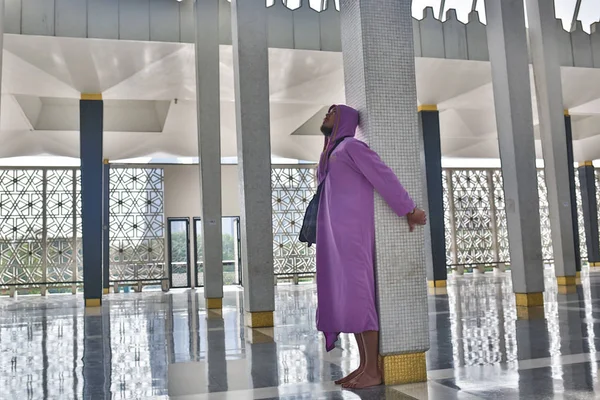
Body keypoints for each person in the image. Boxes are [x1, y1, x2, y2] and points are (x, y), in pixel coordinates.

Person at [316, 104, 427, 389]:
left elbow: (382, 176)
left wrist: (408, 209)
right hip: (332, 237)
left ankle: (373, 370)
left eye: (331, 113)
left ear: (343, 120)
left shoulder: (352, 147)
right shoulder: (331, 154)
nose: (325, 117)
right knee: (345, 299)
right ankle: (364, 366)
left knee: (358, 296)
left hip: (353, 235)